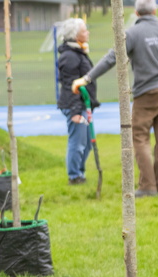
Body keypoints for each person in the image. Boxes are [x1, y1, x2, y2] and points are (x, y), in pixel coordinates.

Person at [73, 0, 158, 198]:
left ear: (136, 12)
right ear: (155, 11)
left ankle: (148, 187)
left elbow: (111, 58)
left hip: (146, 93)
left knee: (139, 137)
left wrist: (87, 78)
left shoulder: (132, 33)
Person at [57, 18, 99, 185]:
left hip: (83, 105)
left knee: (87, 143)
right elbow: (70, 85)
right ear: (75, 36)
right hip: (75, 106)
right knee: (78, 141)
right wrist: (75, 112)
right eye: (84, 31)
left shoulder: (78, 52)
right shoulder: (70, 56)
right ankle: (74, 176)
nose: (87, 33)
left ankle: (79, 173)